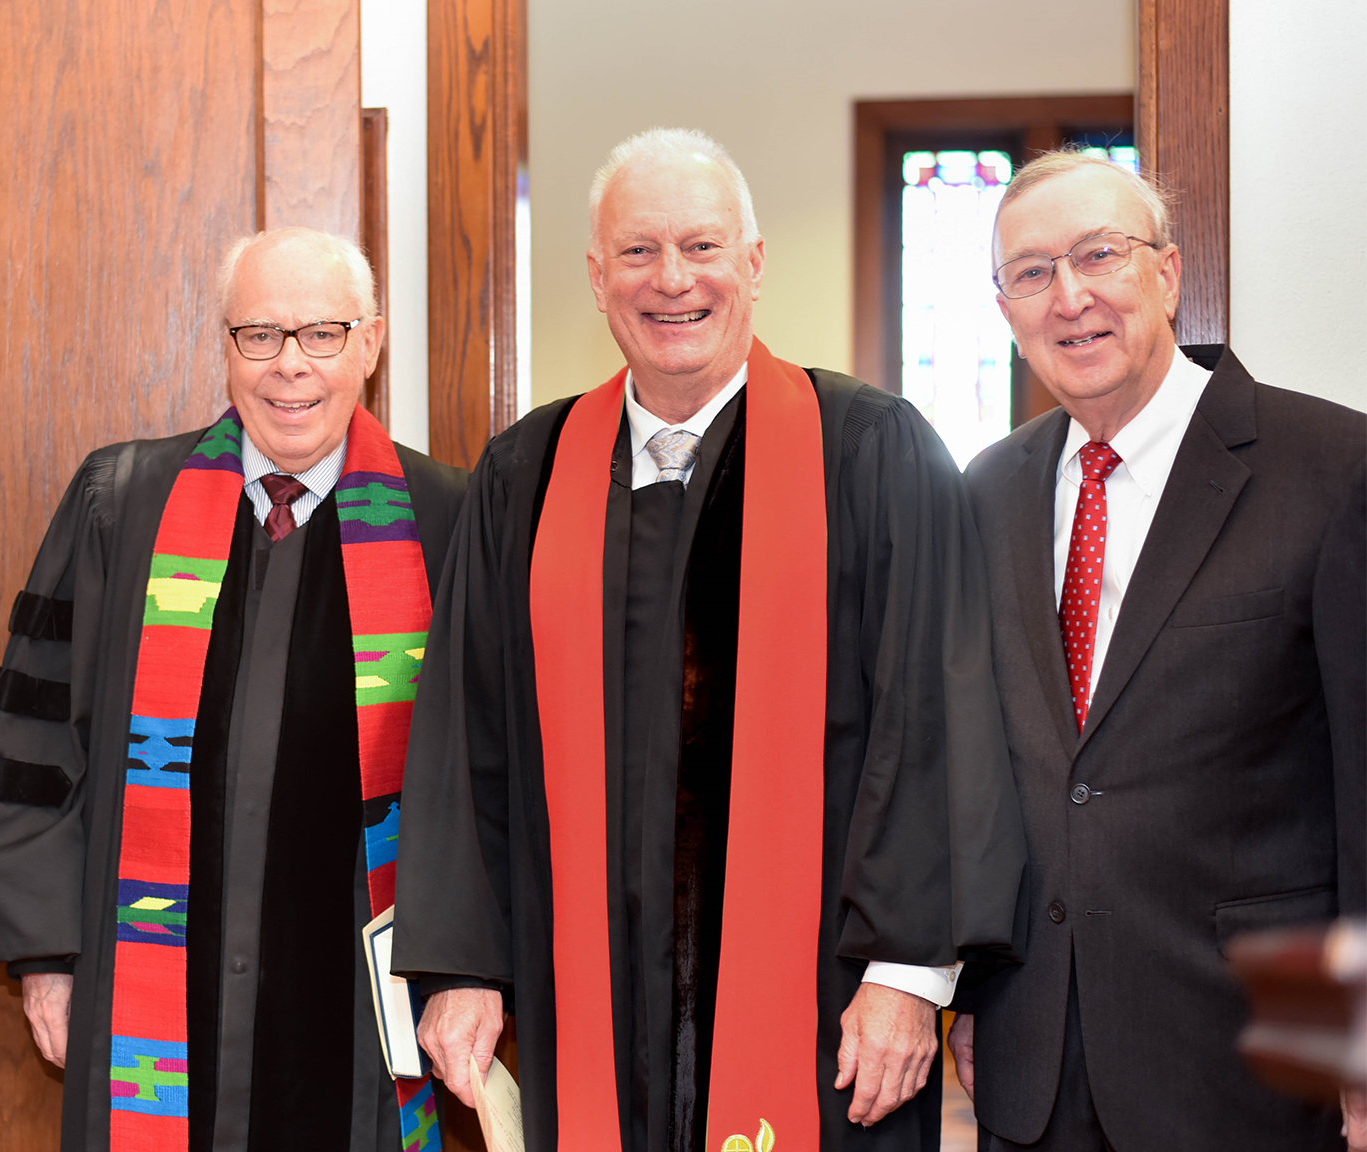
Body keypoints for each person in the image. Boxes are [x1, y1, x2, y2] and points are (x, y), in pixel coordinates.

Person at [392, 127, 1026, 1152]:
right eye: (638, 253)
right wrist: (461, 967)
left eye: (702, 247)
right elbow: (468, 735)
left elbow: (938, 714)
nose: (671, 280)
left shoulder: (869, 452)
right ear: (597, 279)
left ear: (755, 264)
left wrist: (909, 979)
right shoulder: (526, 474)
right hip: (583, 1001)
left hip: (830, 1008)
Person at [0, 226, 468, 1152]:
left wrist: (468, 970)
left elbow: (484, 774)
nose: (290, 369)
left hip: (358, 1006)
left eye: (322, 334)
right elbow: (34, 742)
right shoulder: (124, 504)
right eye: (259, 336)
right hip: (151, 993)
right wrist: (47, 957)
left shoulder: (447, 521)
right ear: (225, 344)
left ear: (371, 343)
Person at [951, 150, 1366, 1151]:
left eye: (1099, 254)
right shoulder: (983, 493)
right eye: (1033, 273)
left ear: (1170, 274)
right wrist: (962, 988)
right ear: (1004, 308)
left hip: (1264, 1060)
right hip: (1035, 1059)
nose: (1071, 297)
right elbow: (975, 773)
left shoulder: (1333, 470)